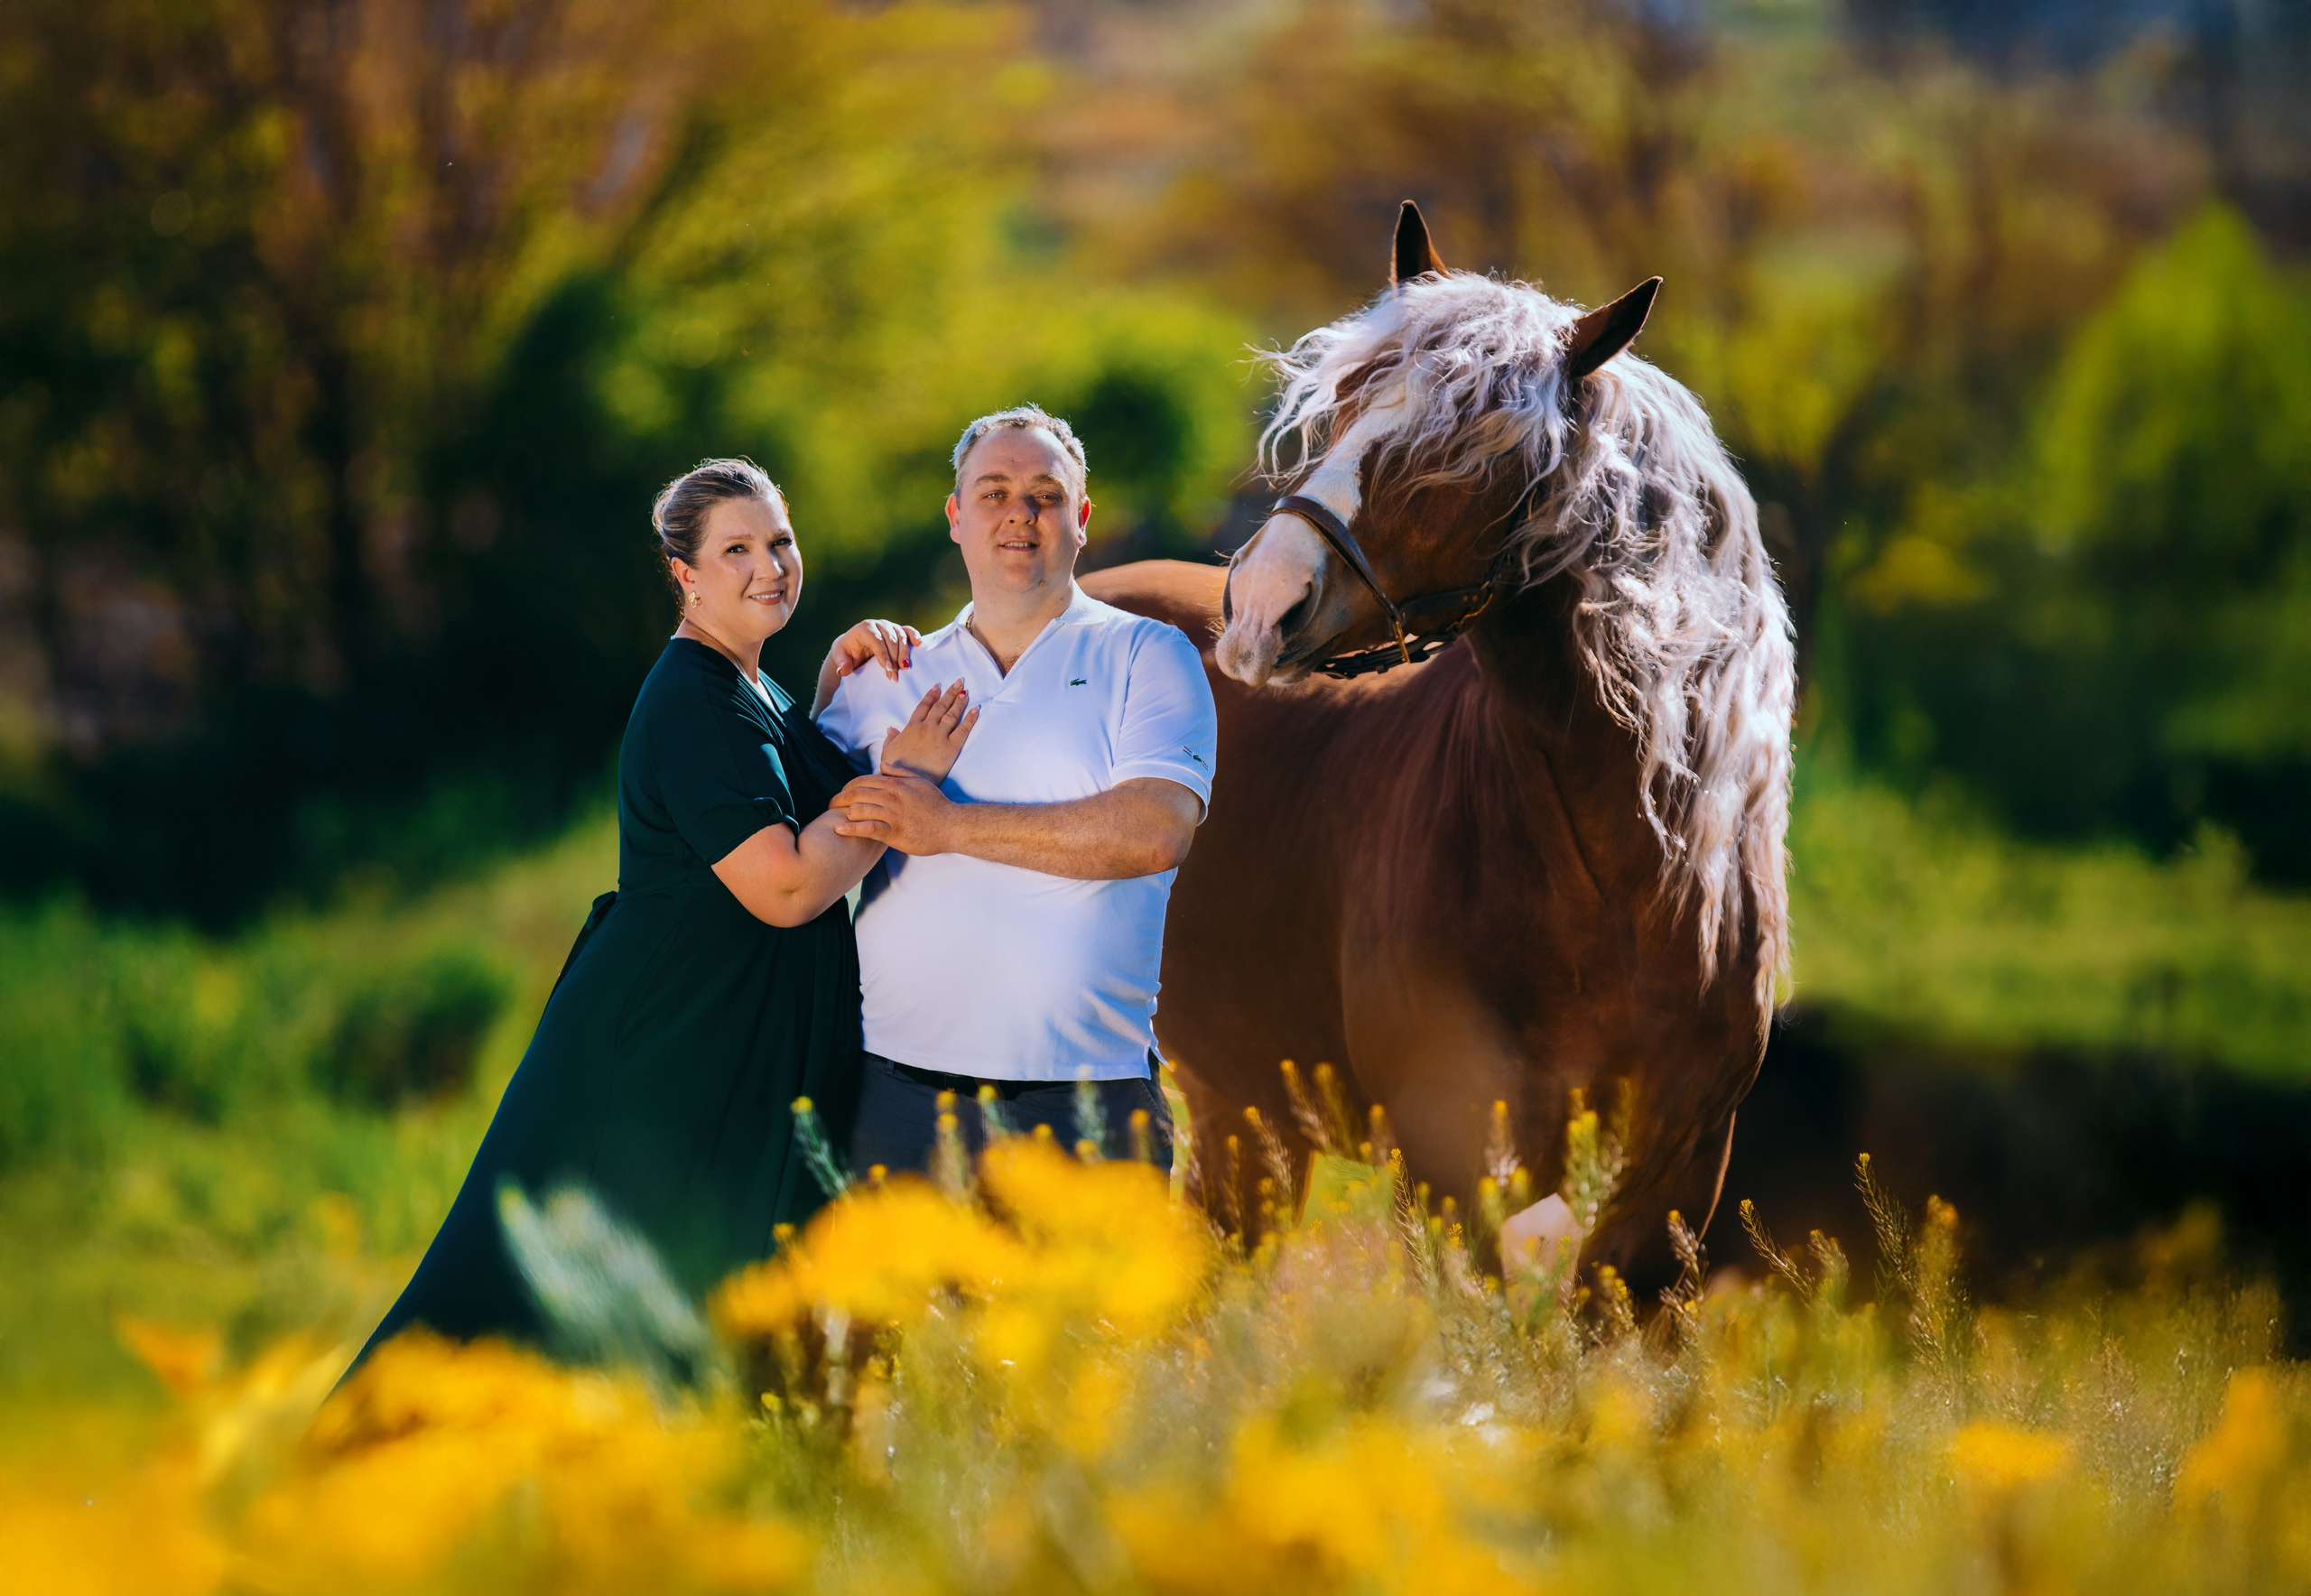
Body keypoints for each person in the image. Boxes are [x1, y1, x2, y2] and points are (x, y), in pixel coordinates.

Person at [350, 459, 973, 1368]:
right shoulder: (692, 697)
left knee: (682, 1316)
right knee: (552, 1310)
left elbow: (795, 788)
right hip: (674, 1046)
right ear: (685, 575)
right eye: (736, 550)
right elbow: (788, 884)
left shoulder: (747, 684)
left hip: (721, 1030)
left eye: (780, 542)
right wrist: (906, 781)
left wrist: (832, 691)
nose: (770, 567)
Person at [818, 405, 1219, 1174]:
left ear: (1082, 519)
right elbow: (799, 845)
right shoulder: (885, 675)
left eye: (1046, 495)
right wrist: (827, 686)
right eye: (994, 493)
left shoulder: (1149, 654)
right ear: (955, 517)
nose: (1020, 514)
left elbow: (1154, 832)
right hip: (897, 1094)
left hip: (1090, 1099)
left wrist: (945, 826)